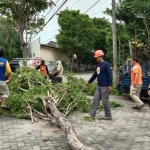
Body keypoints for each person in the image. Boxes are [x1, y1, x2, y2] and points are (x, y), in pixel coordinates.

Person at [85, 50, 113, 120]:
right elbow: (95, 75)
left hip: (105, 86)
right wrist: (89, 82)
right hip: (99, 86)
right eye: (96, 57)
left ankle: (108, 115)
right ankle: (92, 115)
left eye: (97, 57)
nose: (96, 58)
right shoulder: (98, 65)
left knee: (105, 101)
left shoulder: (106, 64)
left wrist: (110, 85)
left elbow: (110, 75)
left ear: (101, 56)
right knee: (95, 100)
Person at [0, 46, 12, 110]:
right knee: (5, 92)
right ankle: (3, 104)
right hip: (1, 80)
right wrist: (6, 77)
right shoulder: (5, 61)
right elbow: (9, 71)